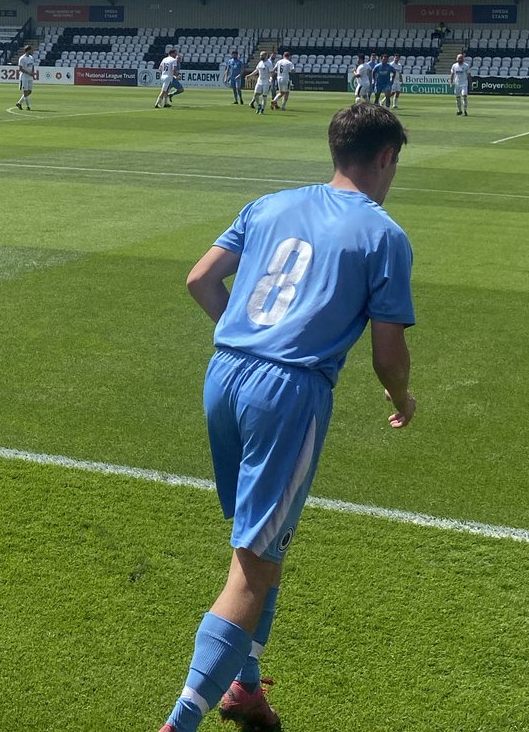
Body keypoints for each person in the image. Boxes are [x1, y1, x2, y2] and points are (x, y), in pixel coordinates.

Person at [158, 104, 416, 732]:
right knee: (253, 561)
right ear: (385, 157)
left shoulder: (269, 204)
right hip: (289, 391)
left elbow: (199, 280)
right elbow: (388, 354)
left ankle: (246, 689)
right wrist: (402, 399)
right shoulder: (384, 234)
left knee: (265, 546)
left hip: (225, 372)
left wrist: (249, 336)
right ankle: (180, 721)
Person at [16, 44, 36, 110]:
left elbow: (32, 66)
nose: (32, 51)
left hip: (30, 77)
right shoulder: (22, 58)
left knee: (29, 91)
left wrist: (32, 72)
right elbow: (20, 68)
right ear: (28, 50)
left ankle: (19, 103)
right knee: (25, 92)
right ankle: (28, 106)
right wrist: (29, 73)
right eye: (31, 50)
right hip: (24, 77)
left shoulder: (31, 57)